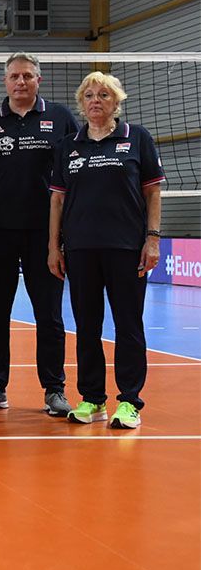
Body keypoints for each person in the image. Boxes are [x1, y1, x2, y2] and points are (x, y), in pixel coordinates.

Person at [49, 71, 164, 429]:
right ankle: (93, 399)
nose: (95, 101)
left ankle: (129, 401)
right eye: (89, 95)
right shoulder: (68, 145)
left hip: (127, 248)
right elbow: (57, 201)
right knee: (86, 326)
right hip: (81, 249)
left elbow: (152, 193)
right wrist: (54, 247)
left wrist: (153, 238)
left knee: (128, 324)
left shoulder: (137, 138)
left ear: (116, 102)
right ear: (81, 104)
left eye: (103, 95)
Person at [0, 53, 77, 415]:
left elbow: (76, 168)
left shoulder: (60, 117)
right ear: (5, 81)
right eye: (14, 76)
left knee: (49, 315)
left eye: (28, 76)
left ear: (38, 81)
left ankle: (54, 389)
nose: (21, 82)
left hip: (45, 233)